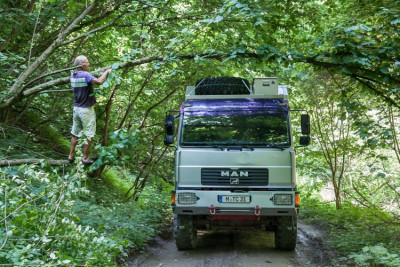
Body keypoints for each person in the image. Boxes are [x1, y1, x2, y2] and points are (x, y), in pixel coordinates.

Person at [68, 55, 112, 165]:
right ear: (82, 65)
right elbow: (99, 82)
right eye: (87, 62)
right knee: (89, 135)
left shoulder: (73, 75)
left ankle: (70, 156)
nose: (89, 64)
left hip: (76, 108)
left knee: (75, 133)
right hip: (86, 110)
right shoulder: (86, 75)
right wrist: (106, 72)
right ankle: (85, 158)